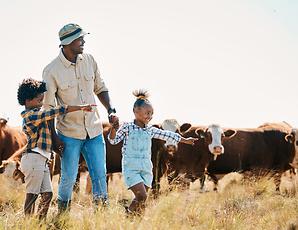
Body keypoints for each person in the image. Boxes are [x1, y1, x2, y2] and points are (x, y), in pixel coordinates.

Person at [42, 23, 118, 214]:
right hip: (68, 133)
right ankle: (62, 215)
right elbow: (49, 108)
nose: (83, 41)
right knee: (68, 176)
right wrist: (54, 138)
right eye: (79, 38)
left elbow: (100, 88)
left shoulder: (90, 60)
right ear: (68, 43)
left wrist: (110, 110)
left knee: (100, 174)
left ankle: (101, 214)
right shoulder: (51, 71)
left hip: (94, 130)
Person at [108, 90, 197, 215]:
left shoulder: (150, 130)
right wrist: (113, 128)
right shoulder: (127, 127)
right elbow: (113, 141)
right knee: (142, 196)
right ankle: (130, 213)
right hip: (131, 167)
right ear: (136, 112)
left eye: (152, 114)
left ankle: (131, 215)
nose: (150, 116)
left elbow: (167, 134)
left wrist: (185, 140)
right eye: (147, 113)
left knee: (141, 199)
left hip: (146, 168)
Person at [17, 78, 96, 219]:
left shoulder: (39, 116)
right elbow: (55, 111)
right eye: (39, 100)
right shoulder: (31, 116)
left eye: (42, 100)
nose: (42, 104)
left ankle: (39, 224)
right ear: (28, 101)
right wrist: (80, 107)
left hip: (41, 160)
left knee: (47, 194)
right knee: (32, 195)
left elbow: (48, 130)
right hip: (33, 159)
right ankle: (27, 226)